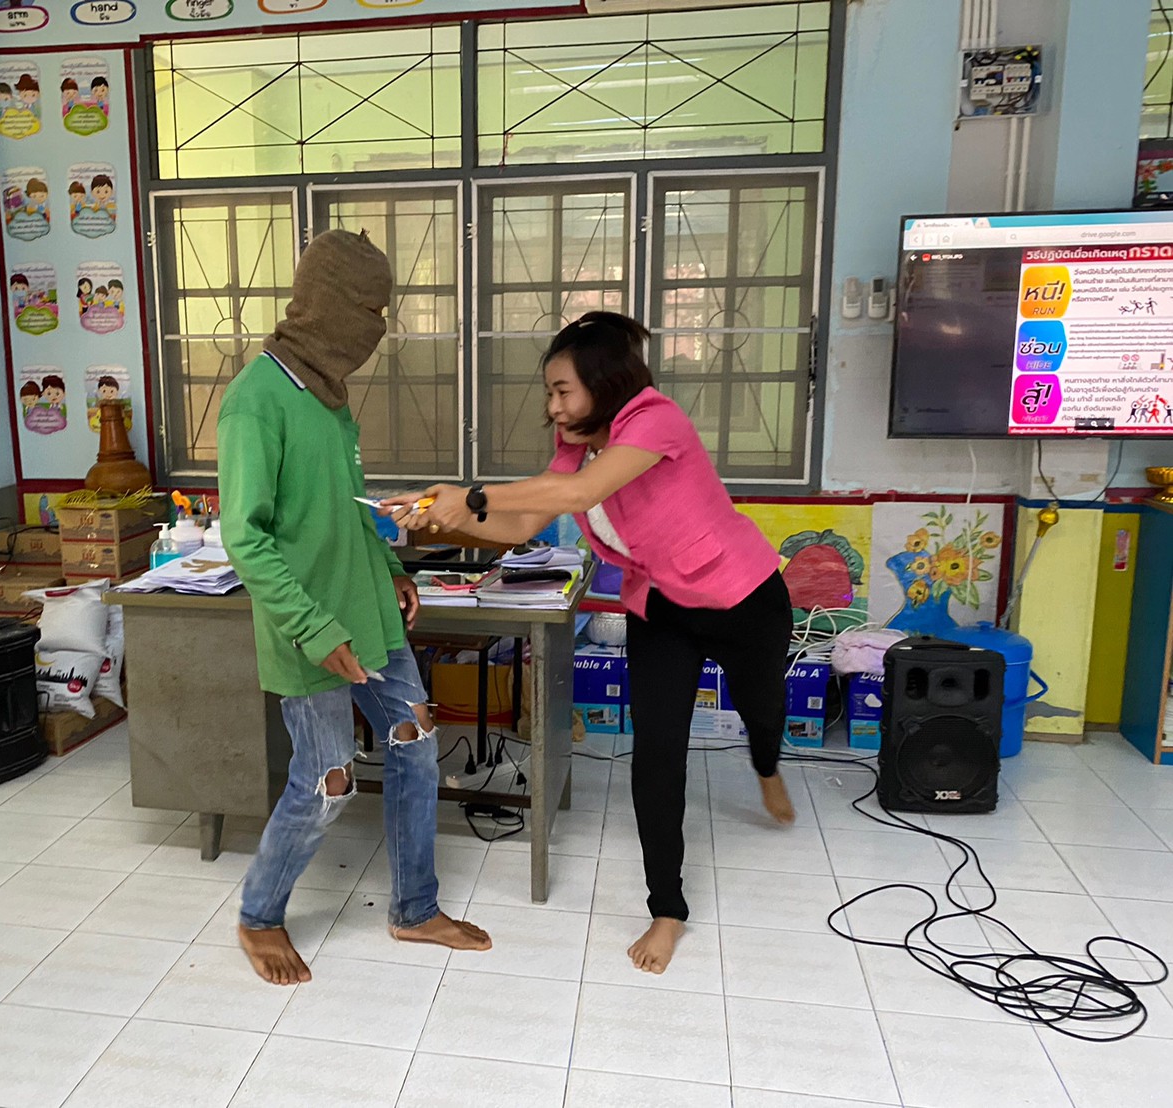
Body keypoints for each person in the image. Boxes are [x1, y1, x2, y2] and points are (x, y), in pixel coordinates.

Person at [384, 311, 794, 976]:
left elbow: (581, 493)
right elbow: (524, 521)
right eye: (549, 392)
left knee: (763, 708)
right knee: (655, 755)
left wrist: (473, 496)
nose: (552, 406)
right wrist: (436, 515)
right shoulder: (577, 445)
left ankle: (767, 768)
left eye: (562, 391)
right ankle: (668, 909)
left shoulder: (655, 419)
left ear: (604, 385)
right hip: (661, 607)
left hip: (740, 596)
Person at [218, 229, 491, 986]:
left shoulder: (330, 397)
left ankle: (414, 909)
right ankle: (260, 916)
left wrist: (390, 567)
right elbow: (246, 538)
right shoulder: (257, 401)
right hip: (309, 630)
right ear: (330, 305)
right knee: (328, 776)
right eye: (370, 309)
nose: (379, 326)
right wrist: (313, 628)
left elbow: (347, 508)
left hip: (369, 612)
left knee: (415, 741)